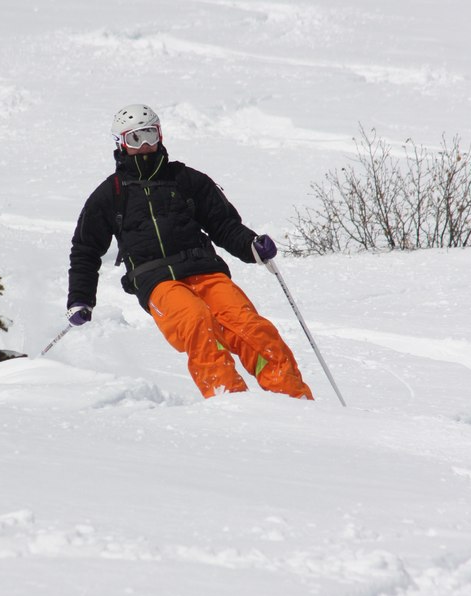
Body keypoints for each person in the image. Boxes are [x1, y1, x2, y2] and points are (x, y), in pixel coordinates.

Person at [66, 104, 313, 401]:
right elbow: (85, 250)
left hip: (205, 270)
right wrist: (81, 299)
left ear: (160, 135)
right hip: (157, 280)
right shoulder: (111, 194)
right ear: (121, 143)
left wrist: (251, 245)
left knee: (251, 327)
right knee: (198, 323)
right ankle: (231, 401)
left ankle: (296, 402)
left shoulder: (186, 180)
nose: (144, 145)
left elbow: (223, 225)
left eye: (149, 135)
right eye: (135, 139)